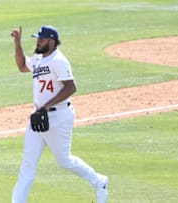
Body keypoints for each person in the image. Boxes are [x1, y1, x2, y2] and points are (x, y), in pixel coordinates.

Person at [10, 25, 108, 203]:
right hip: (38, 116)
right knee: (27, 165)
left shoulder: (58, 60)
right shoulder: (39, 58)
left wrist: (46, 106)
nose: (38, 41)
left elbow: (71, 87)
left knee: (65, 161)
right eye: (37, 38)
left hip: (59, 116)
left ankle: (99, 181)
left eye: (42, 39)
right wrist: (17, 43)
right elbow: (22, 66)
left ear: (52, 41)